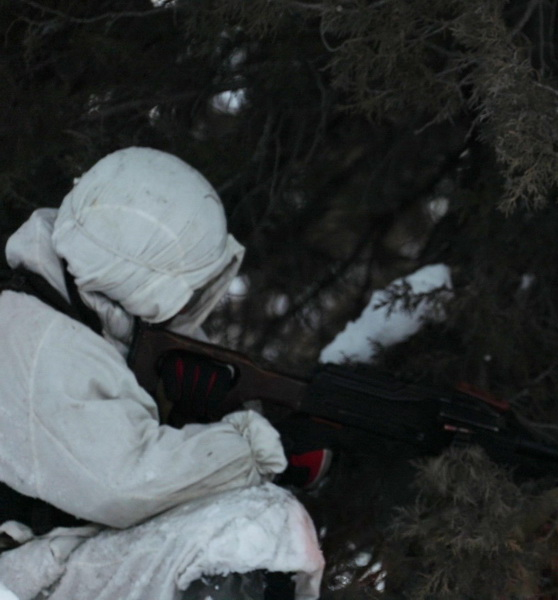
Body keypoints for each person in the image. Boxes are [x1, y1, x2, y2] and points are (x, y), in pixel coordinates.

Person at [0, 148, 325, 599]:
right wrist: (250, 449)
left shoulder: (85, 317)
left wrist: (199, 420)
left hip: (51, 560)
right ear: (139, 281)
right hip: (24, 574)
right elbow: (126, 484)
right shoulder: (37, 339)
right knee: (255, 526)